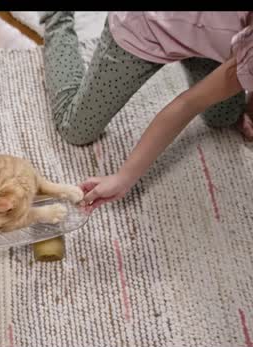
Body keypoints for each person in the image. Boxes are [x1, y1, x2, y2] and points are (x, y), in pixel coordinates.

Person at [39, 11, 253, 211]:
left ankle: (203, 50)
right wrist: (124, 178)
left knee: (225, 117)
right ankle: (57, 17)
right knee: (76, 129)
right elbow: (187, 104)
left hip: (217, 43)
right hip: (147, 27)